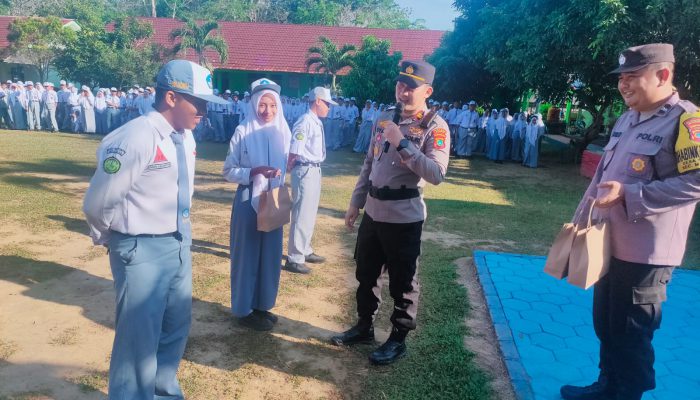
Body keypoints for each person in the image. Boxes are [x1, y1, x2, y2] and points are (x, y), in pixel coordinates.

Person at [560, 43, 700, 400]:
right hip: (609, 242)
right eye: (621, 78)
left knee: (633, 332)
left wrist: (630, 195)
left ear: (663, 75)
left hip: (647, 255)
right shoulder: (628, 117)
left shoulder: (686, 120)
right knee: (606, 323)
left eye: (633, 77)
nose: (624, 85)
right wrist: (580, 220)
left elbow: (695, 182)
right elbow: (602, 177)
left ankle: (626, 393)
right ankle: (607, 385)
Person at [83, 60, 226, 399]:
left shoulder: (185, 137)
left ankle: (163, 391)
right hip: (141, 248)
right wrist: (115, 240)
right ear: (172, 98)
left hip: (178, 243)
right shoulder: (136, 137)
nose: (204, 110)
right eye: (199, 101)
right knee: (138, 341)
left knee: (174, 329)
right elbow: (98, 202)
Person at [332, 60, 450, 365]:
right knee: (366, 273)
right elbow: (369, 165)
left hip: (404, 217)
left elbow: (436, 174)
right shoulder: (384, 118)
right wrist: (355, 203)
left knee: (403, 281)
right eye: (401, 84)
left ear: (428, 90)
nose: (404, 91)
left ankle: (397, 339)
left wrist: (402, 144)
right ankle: (363, 327)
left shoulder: (435, 127)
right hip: (373, 211)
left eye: (411, 87)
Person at [222, 78, 291, 331]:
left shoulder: (284, 131)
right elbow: (228, 170)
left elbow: (285, 164)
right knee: (247, 255)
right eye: (262, 105)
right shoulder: (243, 131)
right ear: (253, 105)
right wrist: (253, 172)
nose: (267, 111)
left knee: (270, 255)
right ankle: (244, 309)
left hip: (274, 200)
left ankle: (263, 305)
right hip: (248, 201)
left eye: (272, 105)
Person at [283, 87, 335, 274]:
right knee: (301, 213)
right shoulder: (305, 121)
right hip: (304, 169)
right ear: (318, 101)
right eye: (327, 103)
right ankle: (295, 257)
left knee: (310, 212)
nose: (329, 107)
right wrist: (289, 168)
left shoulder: (315, 121)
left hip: (314, 169)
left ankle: (304, 249)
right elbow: (295, 150)